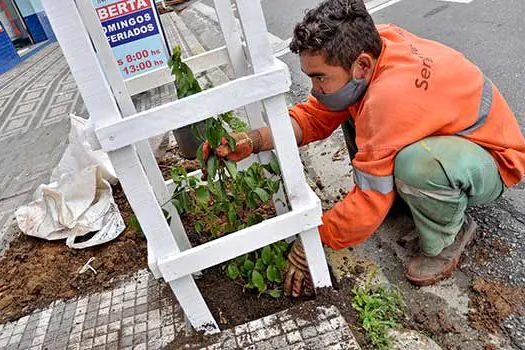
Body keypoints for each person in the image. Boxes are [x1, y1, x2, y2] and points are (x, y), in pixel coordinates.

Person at [203, 0, 525, 295]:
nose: (314, 90)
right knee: (354, 110)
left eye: (319, 79)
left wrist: (314, 240)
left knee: (415, 165)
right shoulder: (372, 48)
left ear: (362, 66)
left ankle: (447, 238)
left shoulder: (388, 97)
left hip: (493, 158)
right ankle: (410, 199)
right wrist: (255, 140)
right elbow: (316, 116)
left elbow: (369, 203)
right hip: (451, 136)